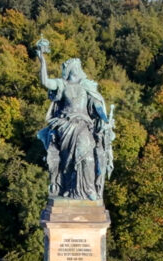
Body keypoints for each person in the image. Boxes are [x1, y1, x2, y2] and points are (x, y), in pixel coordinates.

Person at [35, 38, 114, 201]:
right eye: (76, 67)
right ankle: (69, 187)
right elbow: (45, 82)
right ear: (71, 70)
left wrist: (105, 118)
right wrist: (42, 60)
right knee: (68, 160)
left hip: (83, 124)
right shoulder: (62, 84)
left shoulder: (87, 87)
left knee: (86, 152)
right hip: (65, 125)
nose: (80, 70)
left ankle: (88, 189)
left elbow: (97, 106)